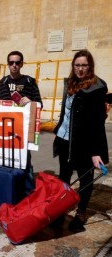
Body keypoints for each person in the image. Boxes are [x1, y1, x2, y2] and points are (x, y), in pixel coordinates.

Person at [53, 50, 109, 232]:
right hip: (64, 140)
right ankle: (59, 210)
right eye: (77, 65)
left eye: (84, 65)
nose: (80, 69)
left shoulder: (97, 87)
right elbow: (65, 113)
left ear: (90, 66)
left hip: (84, 143)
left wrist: (95, 152)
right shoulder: (69, 83)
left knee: (86, 179)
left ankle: (81, 212)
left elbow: (97, 122)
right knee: (64, 178)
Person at [0, 51, 43, 195]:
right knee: (5, 162)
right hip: (5, 132)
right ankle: (7, 192)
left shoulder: (30, 82)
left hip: (24, 133)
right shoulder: (3, 82)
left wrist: (32, 102)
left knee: (25, 163)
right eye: (11, 62)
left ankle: (28, 195)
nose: (14, 65)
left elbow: (39, 104)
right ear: (8, 64)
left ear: (22, 64)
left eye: (17, 62)